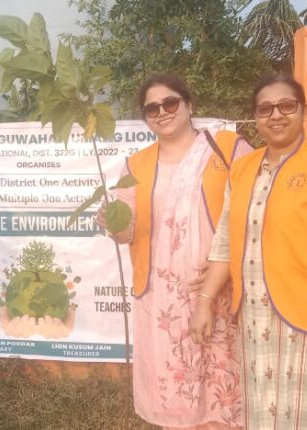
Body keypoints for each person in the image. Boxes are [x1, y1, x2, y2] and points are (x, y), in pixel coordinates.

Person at [190, 75, 307, 429]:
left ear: (303, 111)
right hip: (256, 324)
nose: (276, 115)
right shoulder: (242, 169)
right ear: (255, 116)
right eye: (265, 108)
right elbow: (225, 242)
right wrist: (204, 301)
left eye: (287, 105)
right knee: (263, 417)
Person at [101, 73, 251, 429]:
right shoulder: (135, 165)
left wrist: (226, 267)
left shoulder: (227, 149)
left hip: (219, 287)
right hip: (163, 299)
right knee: (175, 387)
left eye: (170, 103)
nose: (162, 112)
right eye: (152, 108)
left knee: (222, 385)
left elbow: (253, 213)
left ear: (189, 105)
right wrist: (112, 222)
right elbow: (126, 234)